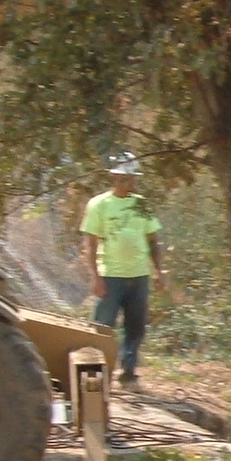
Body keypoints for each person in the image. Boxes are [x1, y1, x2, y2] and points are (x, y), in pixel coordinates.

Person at [80, 156, 164, 387]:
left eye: (133, 179)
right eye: (127, 179)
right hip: (111, 275)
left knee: (135, 326)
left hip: (138, 275)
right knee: (102, 325)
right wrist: (96, 278)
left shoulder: (141, 204)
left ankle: (128, 373)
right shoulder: (99, 205)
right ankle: (92, 375)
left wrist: (158, 271)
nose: (132, 183)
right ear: (116, 178)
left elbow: (153, 240)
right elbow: (91, 243)